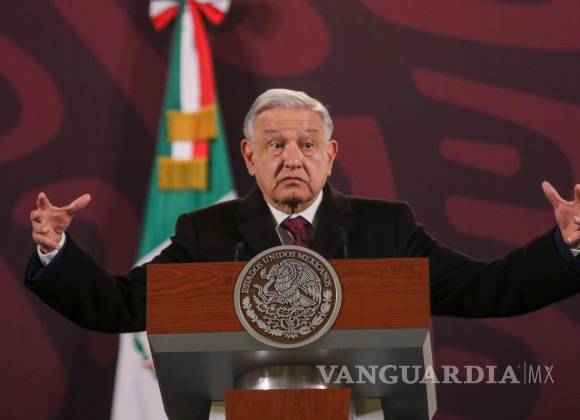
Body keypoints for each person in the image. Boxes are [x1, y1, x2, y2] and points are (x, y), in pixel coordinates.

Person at [26, 89, 580, 333]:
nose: (293, 158)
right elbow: (121, 306)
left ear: (330, 154)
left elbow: (484, 290)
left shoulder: (386, 227)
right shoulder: (206, 233)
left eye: (308, 144)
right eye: (275, 145)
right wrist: (56, 252)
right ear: (249, 157)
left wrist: (566, 246)